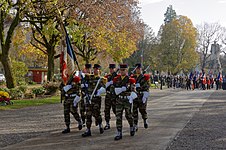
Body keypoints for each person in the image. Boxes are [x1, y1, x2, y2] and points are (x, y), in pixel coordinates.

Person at [113, 64, 137, 141]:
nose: (122, 71)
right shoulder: (116, 79)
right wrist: (117, 90)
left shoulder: (130, 80)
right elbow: (113, 89)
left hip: (127, 100)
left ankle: (132, 126)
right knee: (118, 116)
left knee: (128, 115)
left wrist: (131, 97)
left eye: (124, 70)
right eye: (121, 70)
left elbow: (134, 91)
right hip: (119, 100)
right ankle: (119, 132)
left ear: (127, 70)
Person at [82, 64, 106, 137]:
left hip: (96, 99)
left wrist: (100, 91)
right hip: (89, 98)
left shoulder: (101, 79)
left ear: (99, 70)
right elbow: (83, 77)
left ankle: (100, 125)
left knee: (97, 113)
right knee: (88, 114)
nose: (95, 70)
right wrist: (81, 75)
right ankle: (88, 129)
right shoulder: (89, 77)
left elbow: (104, 88)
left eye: (97, 69)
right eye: (94, 69)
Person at [131, 63, 150, 132]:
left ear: (141, 69)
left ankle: (145, 120)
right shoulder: (133, 77)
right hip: (135, 96)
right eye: (136, 69)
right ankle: (135, 124)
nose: (137, 70)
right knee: (134, 111)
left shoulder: (145, 77)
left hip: (142, 95)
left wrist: (145, 94)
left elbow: (147, 86)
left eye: (139, 69)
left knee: (142, 110)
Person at [104, 64, 118, 130]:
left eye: (112, 68)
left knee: (116, 110)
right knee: (107, 110)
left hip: (114, 96)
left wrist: (114, 82)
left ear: (115, 69)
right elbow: (104, 85)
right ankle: (107, 123)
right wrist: (107, 84)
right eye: (110, 69)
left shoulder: (118, 76)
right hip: (108, 95)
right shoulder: (108, 76)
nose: (111, 70)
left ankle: (118, 122)